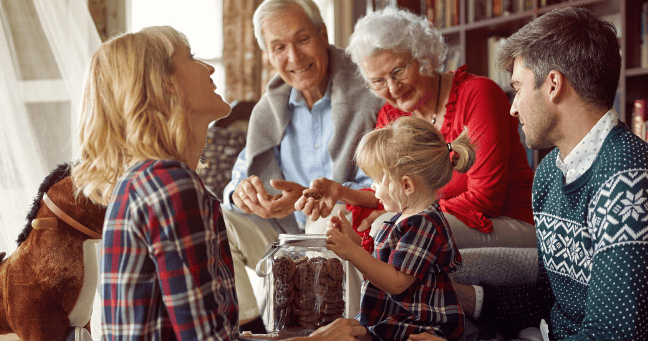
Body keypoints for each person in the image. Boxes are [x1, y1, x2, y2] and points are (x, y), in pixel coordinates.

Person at [71, 26, 367, 341]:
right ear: (163, 86)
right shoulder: (172, 187)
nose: (209, 67)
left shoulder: (148, 180)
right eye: (191, 58)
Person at [479, 7, 648, 340]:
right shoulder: (550, 171)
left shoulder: (631, 181)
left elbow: (610, 334)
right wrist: (463, 298)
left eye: (518, 88)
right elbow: (549, 295)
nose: (512, 106)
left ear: (553, 85)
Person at [297, 7, 536, 250]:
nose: (392, 88)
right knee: (328, 224)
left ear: (422, 55)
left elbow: (484, 200)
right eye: (378, 81)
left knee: (390, 229)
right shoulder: (391, 115)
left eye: (398, 71)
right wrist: (339, 192)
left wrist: (398, 216)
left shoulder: (478, 94)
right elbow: (389, 192)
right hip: (436, 216)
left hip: (504, 222)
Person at [220, 0, 385, 325]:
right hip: (280, 236)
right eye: (279, 47)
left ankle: (338, 330)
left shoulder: (370, 92)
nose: (294, 58)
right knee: (219, 220)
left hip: (340, 225)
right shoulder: (269, 109)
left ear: (323, 34)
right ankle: (254, 328)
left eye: (302, 39)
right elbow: (238, 181)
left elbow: (385, 183)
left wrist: (319, 197)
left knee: (328, 221)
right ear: (267, 53)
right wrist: (242, 193)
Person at [324, 116, 474, 340]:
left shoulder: (424, 224)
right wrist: (354, 241)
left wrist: (351, 252)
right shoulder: (402, 219)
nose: (372, 187)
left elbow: (396, 282)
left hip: (418, 326)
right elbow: (383, 264)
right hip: (391, 320)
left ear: (406, 185)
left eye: (376, 180)